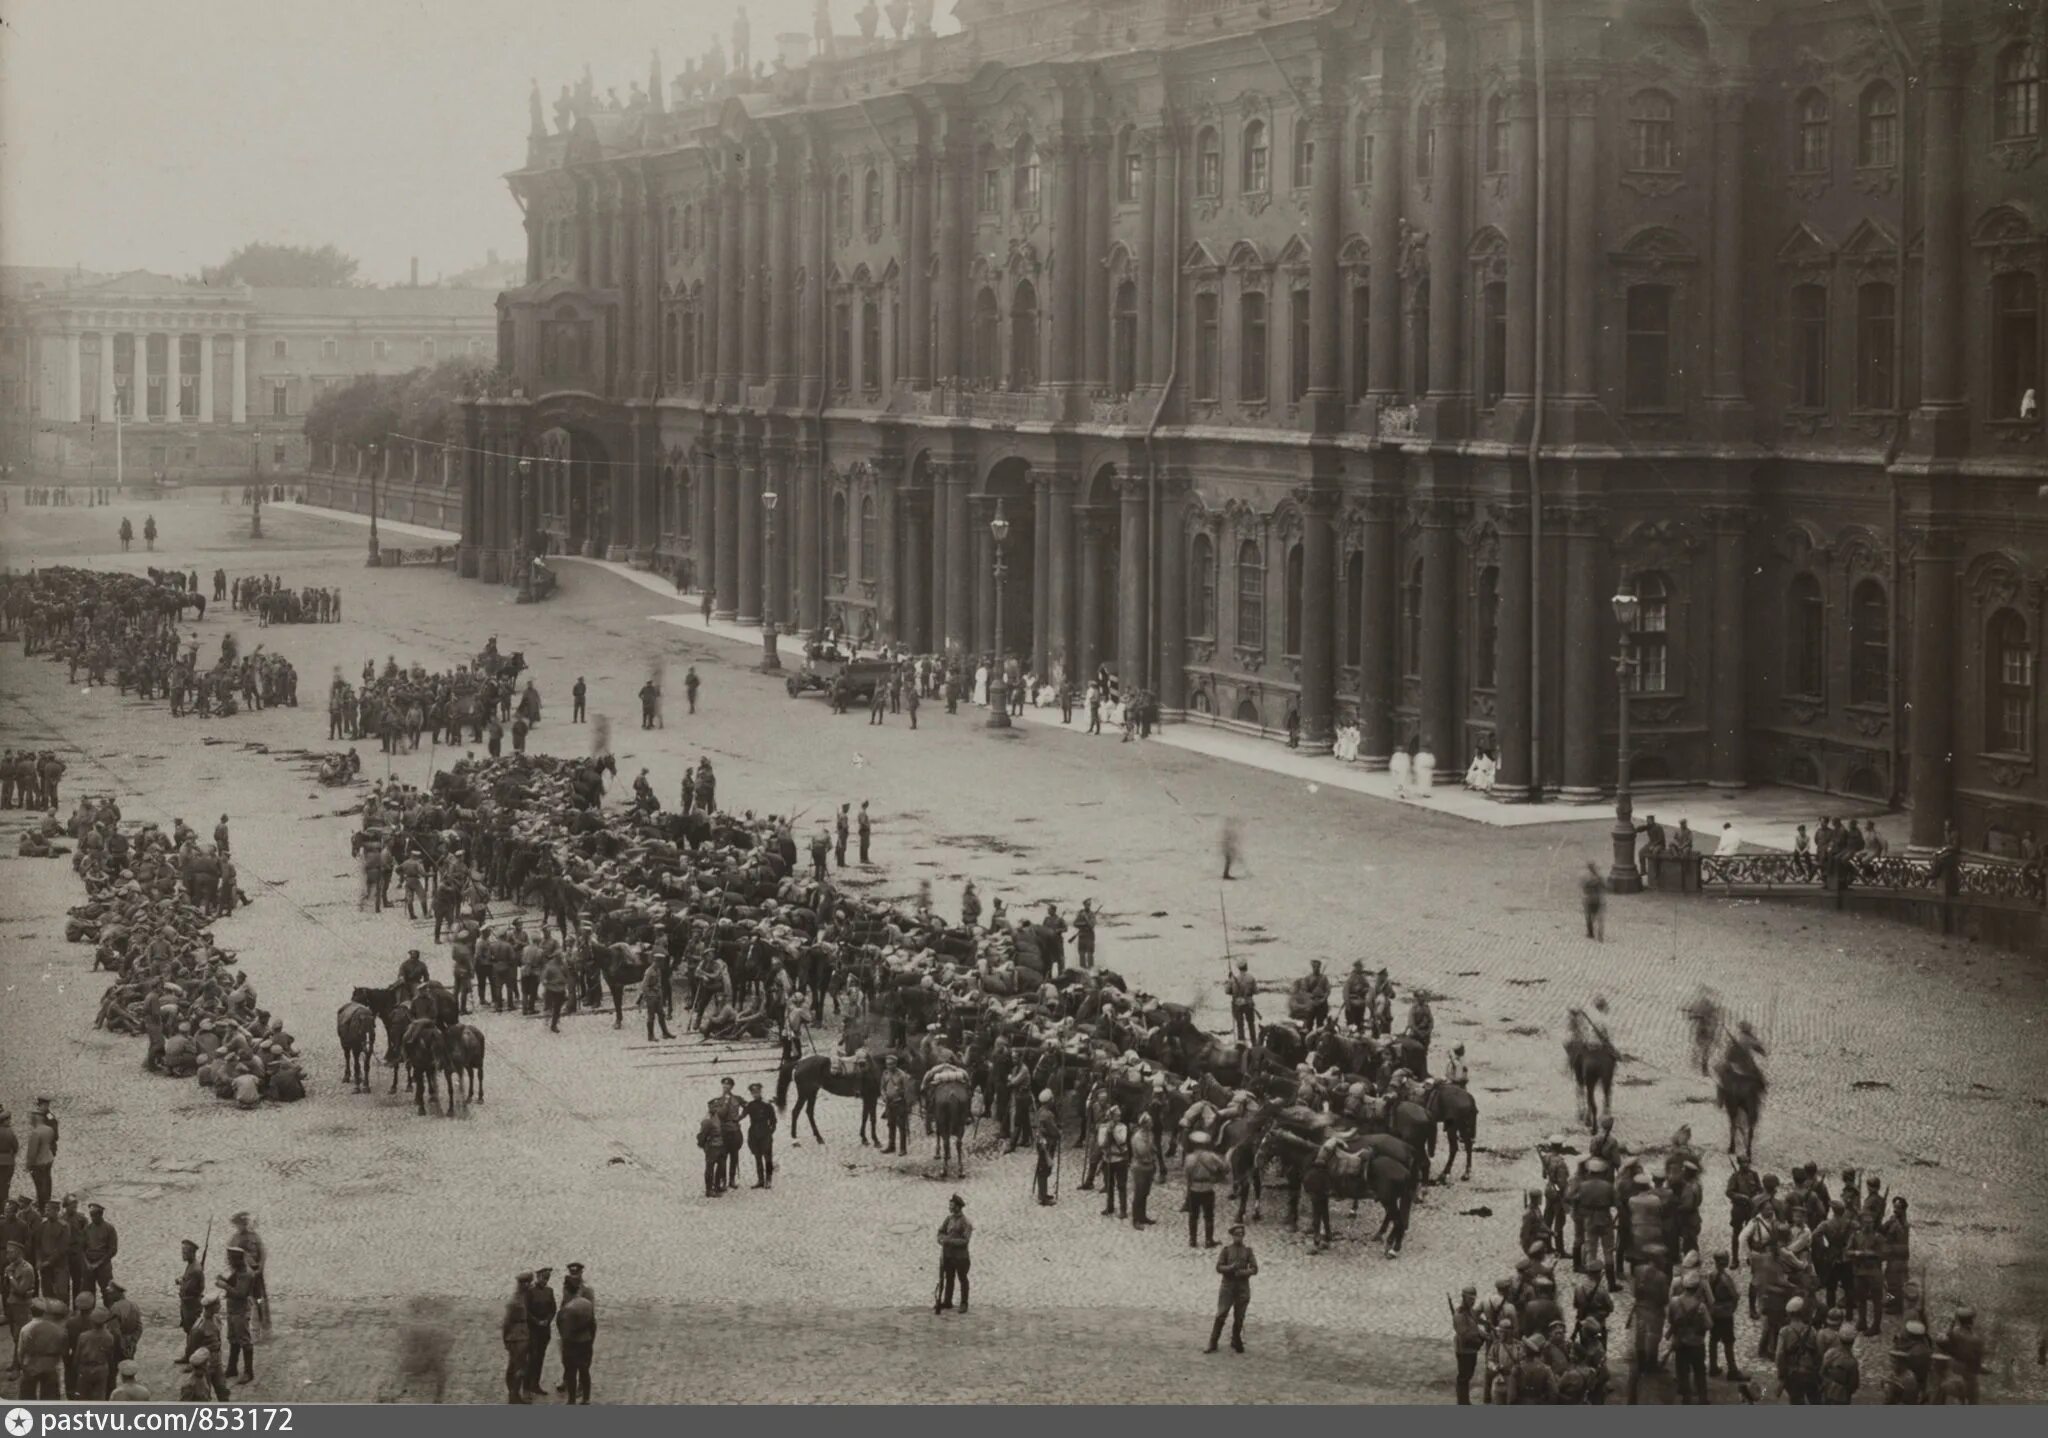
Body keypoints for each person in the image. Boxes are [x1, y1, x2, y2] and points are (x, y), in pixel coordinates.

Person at [1205, 1223, 1258, 1354]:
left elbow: (1255, 1268)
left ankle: (1236, 1339)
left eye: (1241, 1234)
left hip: (1242, 1287)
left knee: (1239, 1316)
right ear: (1232, 1236)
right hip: (1228, 1286)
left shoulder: (1248, 1251)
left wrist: (1243, 1273)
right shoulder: (1226, 1250)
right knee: (1221, 1314)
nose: (1239, 1237)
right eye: (1236, 1234)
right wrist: (1230, 1268)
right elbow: (1218, 1267)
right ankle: (1213, 1341)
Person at [1183, 1132, 1227, 1248]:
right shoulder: (1211, 1156)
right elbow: (1225, 1166)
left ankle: (1192, 1240)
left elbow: (1187, 1175)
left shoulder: (1189, 1158)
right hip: (1208, 1188)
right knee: (1209, 1216)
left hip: (1194, 1189)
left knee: (1193, 1216)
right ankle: (1208, 1240)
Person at [555, 1278, 595, 1404]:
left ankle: (571, 1400)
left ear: (567, 1290)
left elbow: (564, 1330)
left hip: (572, 1344)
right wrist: (590, 1339)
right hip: (586, 1341)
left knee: (571, 1372)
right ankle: (586, 1398)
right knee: (584, 1371)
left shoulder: (567, 1309)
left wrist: (564, 1344)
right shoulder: (587, 1304)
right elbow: (593, 1324)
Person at [935, 1194, 972, 1315]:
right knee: (949, 1278)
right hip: (948, 1255)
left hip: (961, 1257)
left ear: (958, 1207)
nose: (950, 1207)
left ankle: (964, 1303)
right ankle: (947, 1301)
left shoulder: (965, 1222)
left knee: (962, 1279)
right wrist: (941, 1239)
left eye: (952, 1205)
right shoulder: (948, 1219)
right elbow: (940, 1232)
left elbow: (965, 1240)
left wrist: (949, 1241)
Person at [1453, 1285, 1486, 1403]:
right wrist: (1481, 1338)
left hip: (1471, 1350)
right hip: (1464, 1350)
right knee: (1463, 1377)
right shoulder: (1460, 1315)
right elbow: (1465, 1336)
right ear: (1463, 1298)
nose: (1473, 1301)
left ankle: (1464, 1400)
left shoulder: (1470, 1310)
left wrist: (1485, 1327)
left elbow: (1475, 1321)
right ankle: (1462, 1402)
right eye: (1470, 1299)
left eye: (1474, 1299)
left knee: (1468, 1375)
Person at [502, 1274, 533, 1403]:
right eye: (525, 1283)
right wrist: (505, 1338)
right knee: (520, 1367)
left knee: (515, 1365)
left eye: (529, 1283)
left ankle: (513, 1393)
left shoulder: (524, 1296)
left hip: (520, 1335)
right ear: (521, 1284)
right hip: (518, 1337)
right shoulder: (515, 1301)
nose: (528, 1285)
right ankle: (514, 1394)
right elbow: (507, 1322)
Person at [743, 1082, 777, 1189]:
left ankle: (769, 1180)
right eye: (753, 1092)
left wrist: (770, 1132)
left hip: (765, 1133)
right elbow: (742, 1115)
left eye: (757, 1092)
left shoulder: (767, 1105)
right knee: (757, 1158)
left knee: (767, 1158)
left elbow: (773, 1121)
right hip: (753, 1134)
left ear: (760, 1091)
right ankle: (760, 1180)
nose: (755, 1094)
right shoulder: (750, 1105)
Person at [1226, 959, 1259, 1042]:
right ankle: (1254, 1042)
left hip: (1237, 1003)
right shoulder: (1251, 978)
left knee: (1240, 1025)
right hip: (1248, 1003)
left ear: (1238, 968)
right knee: (1251, 1024)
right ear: (1246, 967)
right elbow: (1256, 991)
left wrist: (1229, 979)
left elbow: (1227, 991)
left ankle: (1242, 1043)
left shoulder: (1233, 979)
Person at [1582, 862, 1606, 940]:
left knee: (1589, 917)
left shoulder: (1586, 878)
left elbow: (1584, 888)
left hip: (1589, 899)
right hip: (1598, 899)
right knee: (1599, 917)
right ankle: (1600, 935)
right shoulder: (1599, 878)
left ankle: (1590, 933)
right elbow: (1604, 886)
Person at [857, 800, 872, 864]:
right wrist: (867, 826)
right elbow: (862, 822)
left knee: (863, 844)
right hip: (864, 830)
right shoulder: (863, 812)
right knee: (865, 844)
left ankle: (863, 858)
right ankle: (864, 859)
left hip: (862, 829)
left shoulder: (861, 812)